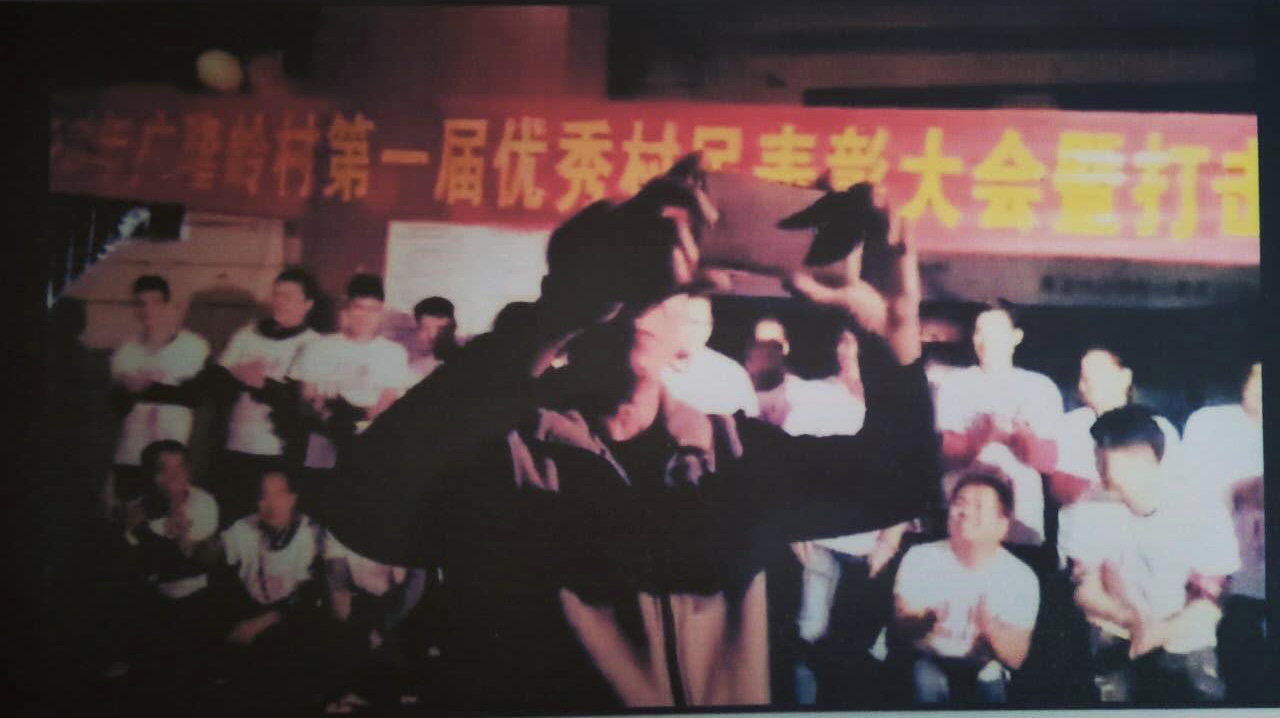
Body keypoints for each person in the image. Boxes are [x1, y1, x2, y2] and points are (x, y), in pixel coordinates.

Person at [312, 172, 938, 711]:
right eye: (624, 282)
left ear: (691, 317)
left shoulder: (733, 455)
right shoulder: (501, 456)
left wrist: (891, 338)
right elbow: (362, 508)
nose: (640, 306)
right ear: (571, 303)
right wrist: (551, 319)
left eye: (661, 288)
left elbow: (899, 482)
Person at [1068, 405, 1239, 704]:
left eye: (1105, 456)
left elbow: (1209, 602)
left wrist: (1157, 632)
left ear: (1145, 457)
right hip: (1116, 632)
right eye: (1096, 454)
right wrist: (1131, 619)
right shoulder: (1088, 508)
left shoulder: (1202, 509)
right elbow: (1085, 590)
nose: (1098, 467)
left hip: (1185, 637)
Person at [782, 328, 911, 706]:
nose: (848, 350)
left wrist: (890, 538)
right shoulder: (813, 395)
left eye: (858, 343)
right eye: (843, 341)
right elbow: (787, 466)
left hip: (874, 549)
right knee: (810, 637)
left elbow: (910, 477)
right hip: (819, 543)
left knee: (867, 649)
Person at [894, 472, 1039, 706]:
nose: (966, 512)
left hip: (985, 667)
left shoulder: (1021, 577)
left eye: (979, 506)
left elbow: (1016, 657)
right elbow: (904, 629)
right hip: (929, 660)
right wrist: (926, 621)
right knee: (925, 681)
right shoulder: (920, 558)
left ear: (1002, 525)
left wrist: (990, 629)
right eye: (960, 503)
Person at [935, 306, 1061, 548]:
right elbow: (946, 456)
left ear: (1016, 337)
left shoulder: (1039, 387)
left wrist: (1014, 437)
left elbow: (1047, 461)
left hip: (1021, 519)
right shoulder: (954, 384)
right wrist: (981, 438)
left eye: (994, 332)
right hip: (966, 518)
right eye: (979, 332)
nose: (984, 340)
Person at [1182, 362, 1266, 703]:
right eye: (1258, 376)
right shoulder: (1209, 423)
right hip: (1220, 577)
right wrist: (1241, 490)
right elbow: (1188, 493)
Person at [210, 267, 320, 525]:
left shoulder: (314, 343)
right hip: (237, 445)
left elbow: (301, 403)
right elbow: (216, 381)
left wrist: (258, 382)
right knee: (233, 523)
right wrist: (244, 377)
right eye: (276, 295)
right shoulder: (247, 334)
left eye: (288, 297)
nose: (279, 302)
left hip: (278, 453)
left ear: (308, 304)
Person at [109, 440, 221, 684]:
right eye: (163, 470)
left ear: (188, 473)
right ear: (149, 476)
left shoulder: (203, 503)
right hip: (154, 600)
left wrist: (174, 521)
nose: (173, 478)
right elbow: (139, 569)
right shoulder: (137, 510)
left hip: (195, 599)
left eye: (179, 469)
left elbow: (196, 564)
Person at [215, 469, 327, 703]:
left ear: (292, 498)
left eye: (278, 495)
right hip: (251, 610)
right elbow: (211, 559)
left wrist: (257, 624)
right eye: (263, 497)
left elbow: (309, 597)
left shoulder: (311, 534)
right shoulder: (244, 527)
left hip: (291, 620)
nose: (271, 504)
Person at [105, 275, 210, 521]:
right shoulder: (125, 352)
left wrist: (148, 388)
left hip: (172, 460)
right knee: (129, 524)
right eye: (141, 303)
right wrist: (127, 391)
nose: (148, 309)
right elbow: (117, 408)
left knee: (169, 523)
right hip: (131, 454)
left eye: (155, 302)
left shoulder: (193, 347)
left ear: (168, 305)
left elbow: (196, 397)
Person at [288, 274, 411, 473]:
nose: (365, 317)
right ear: (346, 308)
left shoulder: (394, 353)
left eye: (373, 310)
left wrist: (354, 416)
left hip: (370, 452)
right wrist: (329, 417)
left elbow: (387, 402)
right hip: (321, 453)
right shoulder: (317, 348)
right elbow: (305, 400)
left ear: (381, 312)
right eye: (359, 308)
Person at [1052, 348, 1183, 506]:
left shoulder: (1159, 427)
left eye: (1098, 372)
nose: (1087, 383)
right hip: (1080, 518)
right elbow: (1058, 487)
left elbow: (1170, 489)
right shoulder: (1071, 424)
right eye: (1083, 376)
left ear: (1125, 377)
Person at [322, 534, 428, 712]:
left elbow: (414, 588)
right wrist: (358, 634)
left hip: (399, 614)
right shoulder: (337, 535)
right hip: (359, 613)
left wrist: (382, 628)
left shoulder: (407, 536)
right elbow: (338, 590)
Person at [661, 294, 759, 417]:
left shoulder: (731, 375)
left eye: (704, 323)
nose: (695, 331)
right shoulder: (648, 368)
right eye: (687, 321)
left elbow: (750, 421)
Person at [409, 296, 460, 384]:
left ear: (453, 328)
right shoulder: (414, 369)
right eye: (425, 329)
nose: (432, 335)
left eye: (441, 329)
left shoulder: (468, 361)